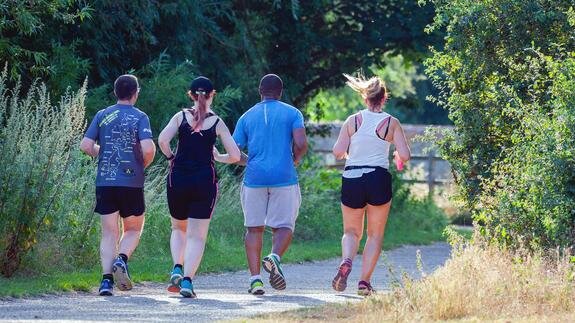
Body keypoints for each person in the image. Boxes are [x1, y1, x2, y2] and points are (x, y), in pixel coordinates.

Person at [158, 76, 240, 298]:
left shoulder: (180, 117)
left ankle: (177, 266)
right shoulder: (217, 123)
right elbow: (234, 156)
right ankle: (187, 282)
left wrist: (170, 158)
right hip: (204, 181)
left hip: (178, 179)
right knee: (197, 236)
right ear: (212, 95)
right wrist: (218, 157)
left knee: (178, 228)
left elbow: (163, 140)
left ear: (191, 95)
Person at [228, 74, 308, 295]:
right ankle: (274, 257)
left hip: (254, 179)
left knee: (254, 228)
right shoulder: (293, 113)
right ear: (280, 92)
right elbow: (301, 143)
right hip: (284, 177)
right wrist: (295, 159)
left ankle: (255, 281)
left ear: (259, 91)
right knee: (284, 226)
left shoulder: (246, 116)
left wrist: (249, 161)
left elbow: (234, 152)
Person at [331, 74, 410, 296]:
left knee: (351, 231)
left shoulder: (352, 120)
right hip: (378, 178)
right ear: (384, 98)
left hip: (352, 177)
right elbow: (405, 154)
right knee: (374, 235)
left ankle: (347, 259)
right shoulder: (391, 122)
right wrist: (397, 154)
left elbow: (337, 151)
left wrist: (349, 152)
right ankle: (364, 283)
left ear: (365, 98)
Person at [80, 74, 156, 296]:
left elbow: (85, 145)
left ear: (115, 92)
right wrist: (142, 164)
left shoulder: (102, 115)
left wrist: (102, 154)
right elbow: (149, 149)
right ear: (136, 93)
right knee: (133, 228)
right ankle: (121, 260)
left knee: (108, 233)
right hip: (131, 182)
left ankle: (105, 282)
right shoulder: (140, 117)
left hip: (105, 181)